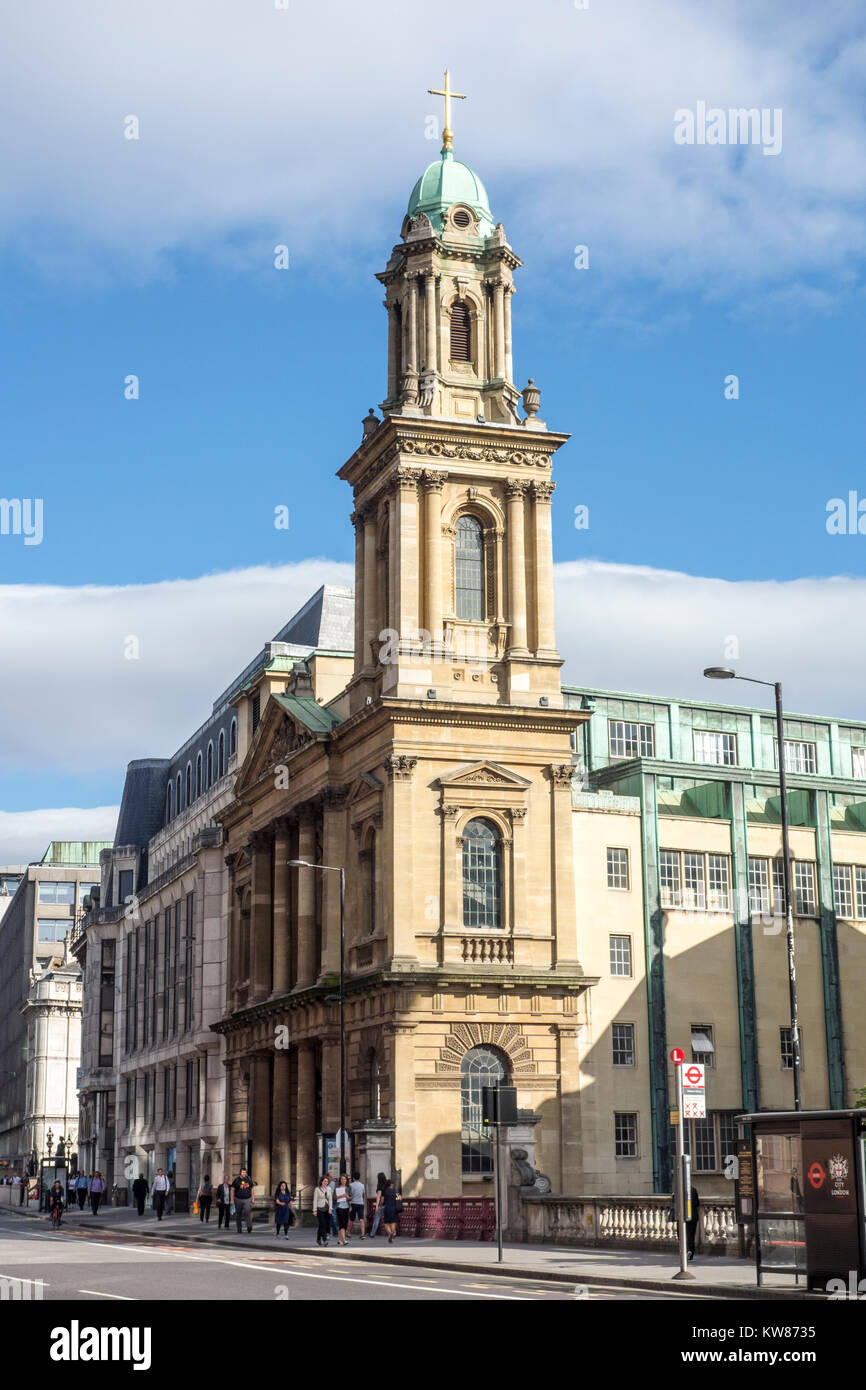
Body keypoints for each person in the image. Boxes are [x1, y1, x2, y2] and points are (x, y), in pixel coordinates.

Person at [231, 1168, 254, 1233]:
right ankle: (239, 1228)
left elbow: (252, 1189)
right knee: (238, 1214)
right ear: (240, 1173)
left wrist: (253, 1198)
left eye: (245, 1172)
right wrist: (232, 1200)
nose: (244, 1173)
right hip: (238, 1199)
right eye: (243, 1172)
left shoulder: (249, 1179)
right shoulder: (236, 1180)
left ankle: (249, 1226)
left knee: (247, 1212)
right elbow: (232, 1189)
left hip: (247, 1199)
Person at [313, 1174, 333, 1246]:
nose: (326, 1182)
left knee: (323, 1225)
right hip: (319, 1208)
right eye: (325, 1181)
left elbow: (330, 1199)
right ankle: (324, 1240)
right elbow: (315, 1200)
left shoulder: (329, 1189)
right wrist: (314, 1210)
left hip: (327, 1208)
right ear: (321, 1181)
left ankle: (318, 1239)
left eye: (327, 1181)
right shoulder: (317, 1189)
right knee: (322, 1224)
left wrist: (330, 1208)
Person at [368, 1171, 388, 1240]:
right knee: (389, 1220)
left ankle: (372, 1234)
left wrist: (377, 1206)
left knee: (377, 1219)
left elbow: (378, 1197)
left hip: (381, 1205)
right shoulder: (387, 1185)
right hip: (388, 1205)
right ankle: (392, 1232)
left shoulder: (380, 1186)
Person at [380, 1178, 401, 1244]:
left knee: (386, 1223)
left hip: (387, 1208)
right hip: (394, 1209)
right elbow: (400, 1198)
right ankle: (393, 1233)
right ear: (391, 1185)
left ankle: (390, 1233)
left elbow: (382, 1201)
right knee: (393, 1222)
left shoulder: (385, 1191)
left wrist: (379, 1206)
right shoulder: (395, 1191)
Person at [333, 1172, 351, 1246]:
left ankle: (338, 1240)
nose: (343, 1180)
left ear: (346, 1180)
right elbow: (334, 1198)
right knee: (342, 1224)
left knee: (345, 1224)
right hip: (339, 1207)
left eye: (345, 1179)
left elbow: (351, 1198)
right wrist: (341, 1196)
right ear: (340, 1180)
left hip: (346, 1207)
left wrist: (347, 1197)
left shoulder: (349, 1188)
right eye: (342, 1179)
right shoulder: (337, 1188)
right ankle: (344, 1240)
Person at [348, 1171, 366, 1240]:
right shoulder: (362, 1185)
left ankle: (348, 1232)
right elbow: (363, 1195)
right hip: (361, 1203)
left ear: (353, 1178)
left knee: (351, 1219)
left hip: (353, 1203)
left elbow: (349, 1195)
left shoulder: (351, 1185)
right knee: (361, 1219)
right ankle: (363, 1234)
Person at [685, 1185, 700, 1261]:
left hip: (684, 1217)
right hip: (693, 1216)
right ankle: (691, 1253)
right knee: (691, 1235)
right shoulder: (693, 1189)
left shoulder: (680, 1191)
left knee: (683, 1235)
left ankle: (687, 1250)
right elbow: (697, 1203)